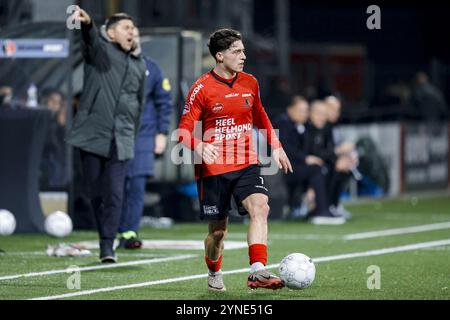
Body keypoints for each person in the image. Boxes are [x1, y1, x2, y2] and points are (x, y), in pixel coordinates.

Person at [177, 28, 292, 291]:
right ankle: (214, 270)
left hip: (246, 162)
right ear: (219, 56)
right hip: (214, 169)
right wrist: (199, 145)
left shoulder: (250, 82)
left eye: (243, 51)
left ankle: (257, 271)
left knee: (261, 208)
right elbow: (182, 132)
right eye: (236, 51)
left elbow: (260, 114)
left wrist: (276, 145)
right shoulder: (201, 88)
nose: (243, 56)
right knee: (218, 233)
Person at [66, 7, 147, 263]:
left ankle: (107, 246)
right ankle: (105, 237)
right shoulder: (100, 51)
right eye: (126, 28)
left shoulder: (140, 63)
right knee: (96, 194)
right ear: (111, 33)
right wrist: (88, 23)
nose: (131, 32)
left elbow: (139, 103)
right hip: (92, 136)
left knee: (114, 193)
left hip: (121, 140)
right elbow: (89, 38)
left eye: (133, 29)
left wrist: (131, 136)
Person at [118, 28, 173, 249]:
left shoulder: (152, 67)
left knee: (137, 185)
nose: (133, 38)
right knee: (115, 185)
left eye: (136, 34)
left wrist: (161, 133)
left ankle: (130, 232)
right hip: (116, 134)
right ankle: (114, 229)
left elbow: (164, 102)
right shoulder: (111, 66)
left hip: (143, 135)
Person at [275, 96, 332, 220]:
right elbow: (284, 147)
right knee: (316, 169)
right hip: (282, 169)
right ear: (290, 109)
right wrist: (305, 158)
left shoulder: (303, 126)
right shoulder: (282, 123)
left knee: (323, 167)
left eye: (306, 111)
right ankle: (321, 210)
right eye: (301, 110)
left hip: (296, 166)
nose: (304, 114)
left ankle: (326, 207)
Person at [304, 100, 346, 225]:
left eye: (324, 114)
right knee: (320, 170)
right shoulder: (306, 129)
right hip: (300, 167)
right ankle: (321, 210)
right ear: (310, 114)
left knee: (339, 168)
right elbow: (311, 152)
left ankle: (331, 206)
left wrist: (339, 160)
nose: (322, 117)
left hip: (318, 165)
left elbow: (325, 152)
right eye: (319, 114)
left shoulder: (326, 129)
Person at [324, 95, 357, 219]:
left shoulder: (333, 126)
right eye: (333, 109)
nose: (336, 113)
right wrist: (338, 153)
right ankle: (328, 205)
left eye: (338, 109)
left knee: (346, 167)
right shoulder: (319, 125)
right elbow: (318, 151)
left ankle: (334, 204)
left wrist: (348, 156)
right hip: (319, 161)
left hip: (329, 159)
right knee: (335, 168)